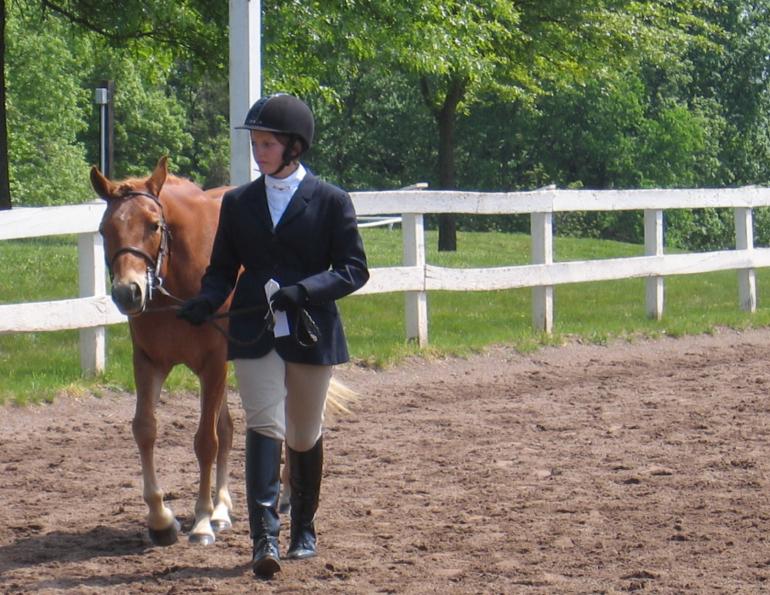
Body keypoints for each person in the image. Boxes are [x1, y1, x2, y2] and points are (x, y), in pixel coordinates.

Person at [177, 93, 369, 579]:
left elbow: (353, 269)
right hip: (253, 327)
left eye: (267, 144)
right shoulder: (240, 202)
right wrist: (205, 298)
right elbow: (221, 269)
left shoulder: (330, 200)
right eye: (257, 144)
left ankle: (303, 526)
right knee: (264, 424)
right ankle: (265, 536)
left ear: (294, 147)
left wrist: (302, 290)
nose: (258, 152)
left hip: (309, 329)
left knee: (303, 433)